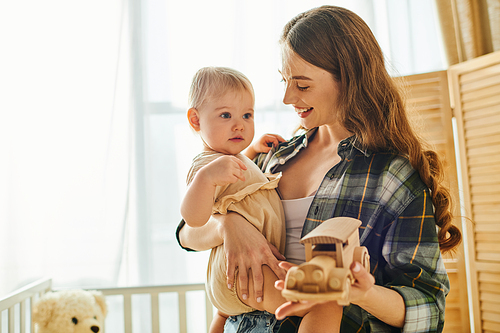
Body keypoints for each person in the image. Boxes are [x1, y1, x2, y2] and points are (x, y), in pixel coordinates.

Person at [177, 6, 462, 333]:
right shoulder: (273, 157)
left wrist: (366, 294)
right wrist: (228, 225)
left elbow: (430, 309)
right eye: (284, 81)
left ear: (348, 79)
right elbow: (187, 233)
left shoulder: (391, 176)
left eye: (302, 84)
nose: (287, 97)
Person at [181, 66, 342, 332]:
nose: (239, 124)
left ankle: (219, 320)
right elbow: (192, 219)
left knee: (324, 292)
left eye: (247, 115)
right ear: (196, 120)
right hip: (245, 272)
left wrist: (254, 149)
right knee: (322, 300)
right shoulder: (207, 167)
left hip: (252, 266)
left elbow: (243, 181)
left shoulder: (237, 159)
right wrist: (205, 180)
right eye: (225, 115)